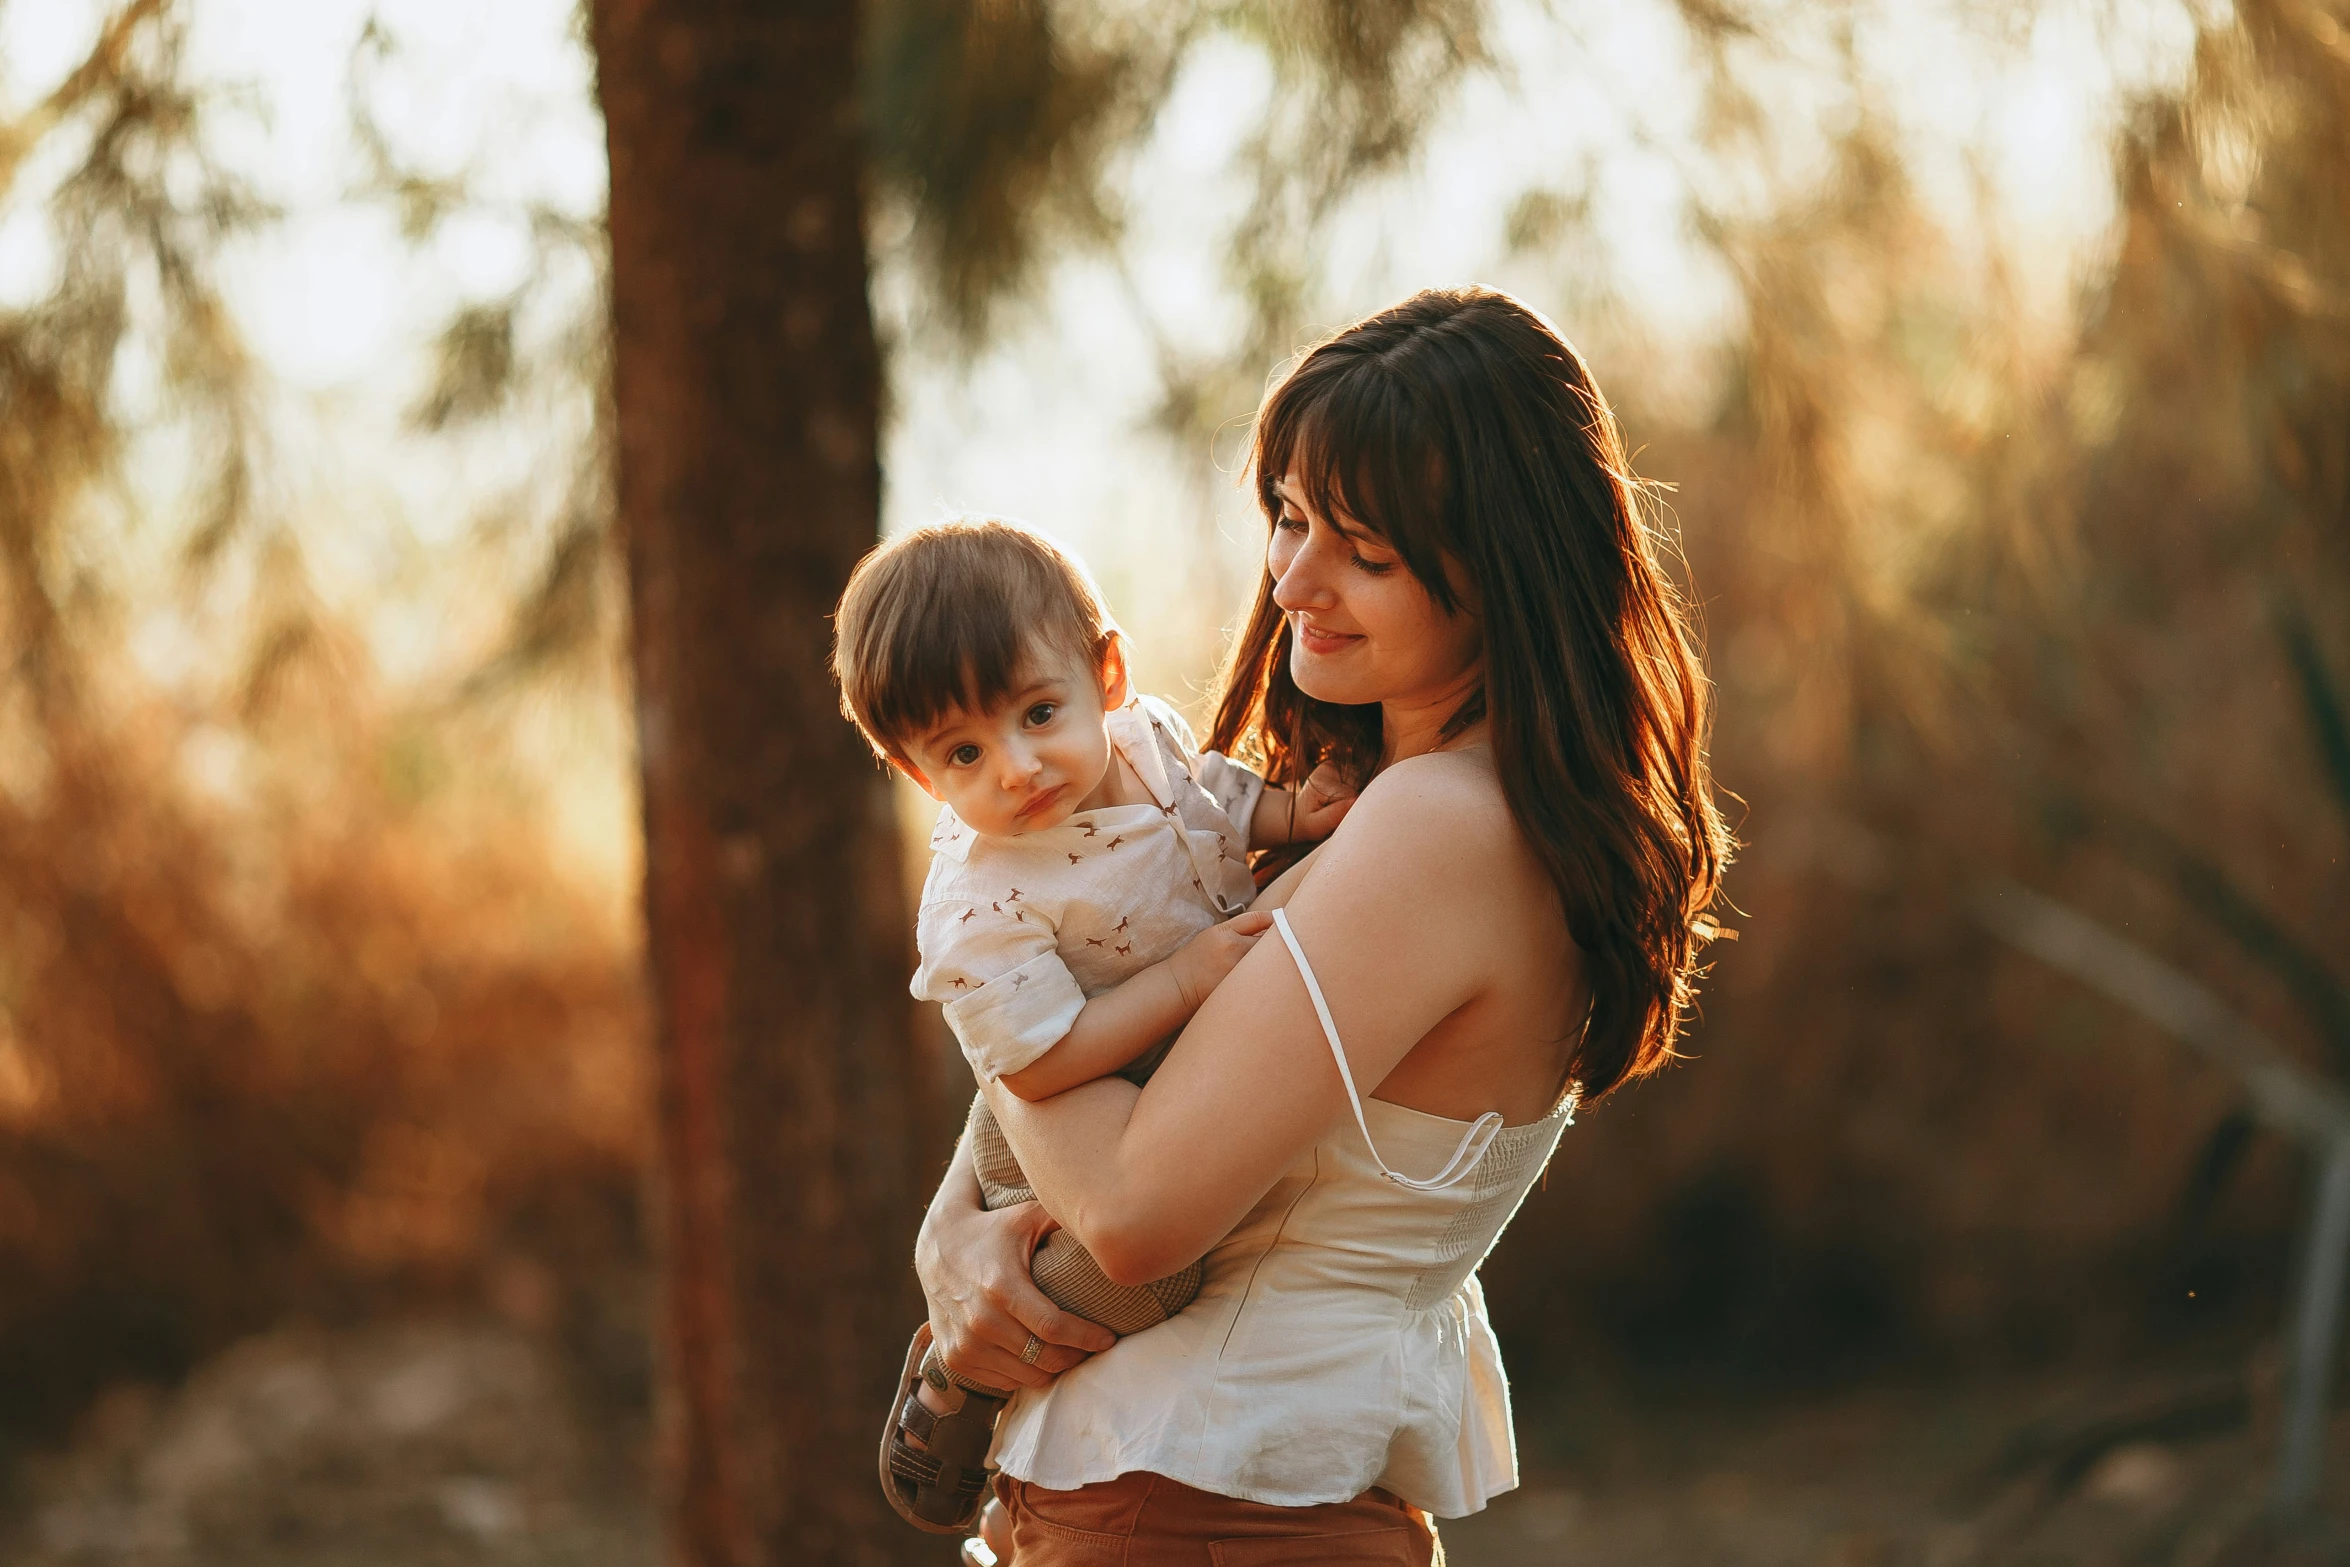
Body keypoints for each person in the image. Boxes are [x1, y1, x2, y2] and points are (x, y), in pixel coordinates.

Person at [907, 286, 1733, 1566]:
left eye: (1367, 552)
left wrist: (985, 975)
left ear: (1500, 573)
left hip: (1198, 1512)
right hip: (1202, 1502)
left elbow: (1127, 1209)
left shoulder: (1438, 830)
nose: (1293, 577)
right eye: (1288, 518)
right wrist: (951, 1234)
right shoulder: (1413, 812)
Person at [830, 520, 1357, 1541]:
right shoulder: (980, 900)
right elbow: (1034, 1071)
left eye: (1037, 712)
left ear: (1105, 671)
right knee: (1156, 1269)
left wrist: (1290, 816)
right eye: (965, 751)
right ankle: (963, 1371)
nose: (1019, 767)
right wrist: (1182, 981)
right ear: (915, 769)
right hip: (1055, 1083)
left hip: (1141, 1059)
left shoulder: (1142, 740)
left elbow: (1212, 800)